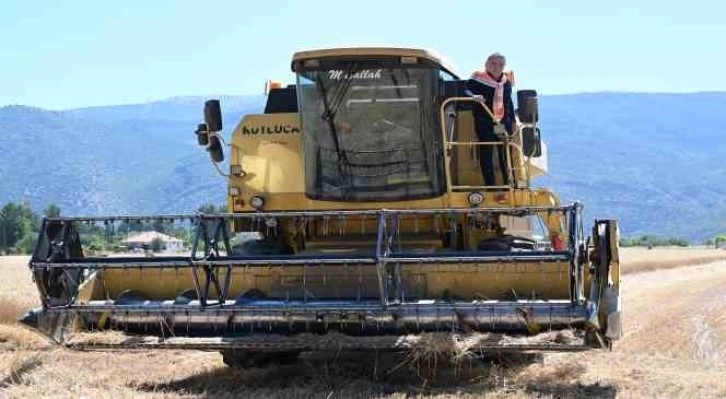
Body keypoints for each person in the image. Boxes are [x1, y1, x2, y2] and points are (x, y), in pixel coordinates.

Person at [464, 53, 516, 186]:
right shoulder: (477, 78)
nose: (497, 67)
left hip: (502, 123)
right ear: (486, 64)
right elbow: (466, 91)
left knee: (505, 154)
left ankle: (508, 185)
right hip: (484, 122)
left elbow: (508, 103)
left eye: (500, 65)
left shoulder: (506, 82)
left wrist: (513, 122)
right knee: (486, 153)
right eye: (493, 64)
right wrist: (474, 96)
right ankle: (490, 186)